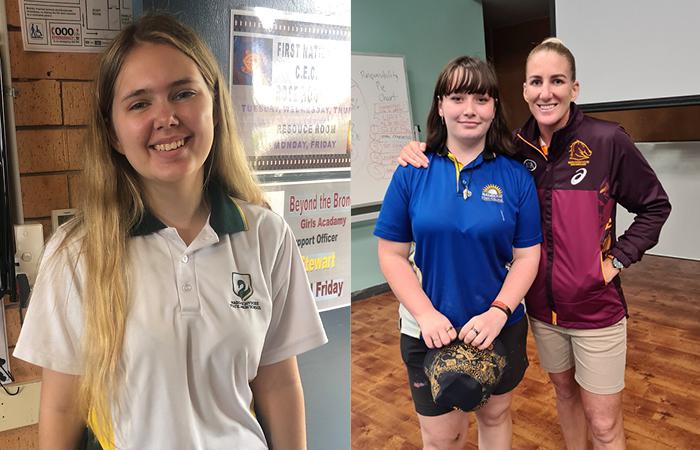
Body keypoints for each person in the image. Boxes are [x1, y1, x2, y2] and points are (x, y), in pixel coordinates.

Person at [13, 14, 327, 450]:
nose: (167, 117)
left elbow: (277, 385)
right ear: (114, 134)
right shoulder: (77, 253)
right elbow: (62, 409)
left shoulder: (266, 235)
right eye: (140, 103)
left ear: (213, 106)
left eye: (183, 93)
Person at [398, 38, 671, 450]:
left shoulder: (607, 140)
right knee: (563, 395)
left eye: (557, 81)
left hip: (595, 307)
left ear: (574, 88)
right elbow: (459, 150)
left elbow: (655, 206)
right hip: (541, 310)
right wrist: (417, 148)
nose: (547, 92)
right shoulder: (514, 149)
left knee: (604, 423)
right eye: (536, 82)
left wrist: (614, 260)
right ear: (523, 91)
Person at [375, 56, 542, 450]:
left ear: (495, 107)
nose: (470, 109)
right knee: (442, 437)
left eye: (481, 99)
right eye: (457, 97)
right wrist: (425, 314)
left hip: (498, 325)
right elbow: (391, 254)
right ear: (440, 105)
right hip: (428, 331)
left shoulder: (515, 175)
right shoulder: (412, 170)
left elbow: (527, 256)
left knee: (495, 415)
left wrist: (499, 312)